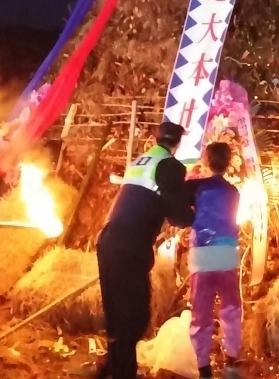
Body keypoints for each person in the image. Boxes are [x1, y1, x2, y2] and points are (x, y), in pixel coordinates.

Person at [96, 121, 194, 379]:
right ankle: (122, 373)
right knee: (135, 316)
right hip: (130, 246)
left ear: (156, 138)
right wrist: (197, 215)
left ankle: (112, 368)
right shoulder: (171, 166)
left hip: (108, 240)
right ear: (178, 143)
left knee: (116, 315)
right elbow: (177, 214)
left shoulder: (141, 161)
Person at [186, 142, 242, 379]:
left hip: (202, 255)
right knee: (231, 308)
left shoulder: (195, 187)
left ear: (207, 160)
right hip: (227, 253)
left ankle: (203, 366)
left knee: (201, 311)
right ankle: (231, 360)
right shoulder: (233, 192)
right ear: (229, 162)